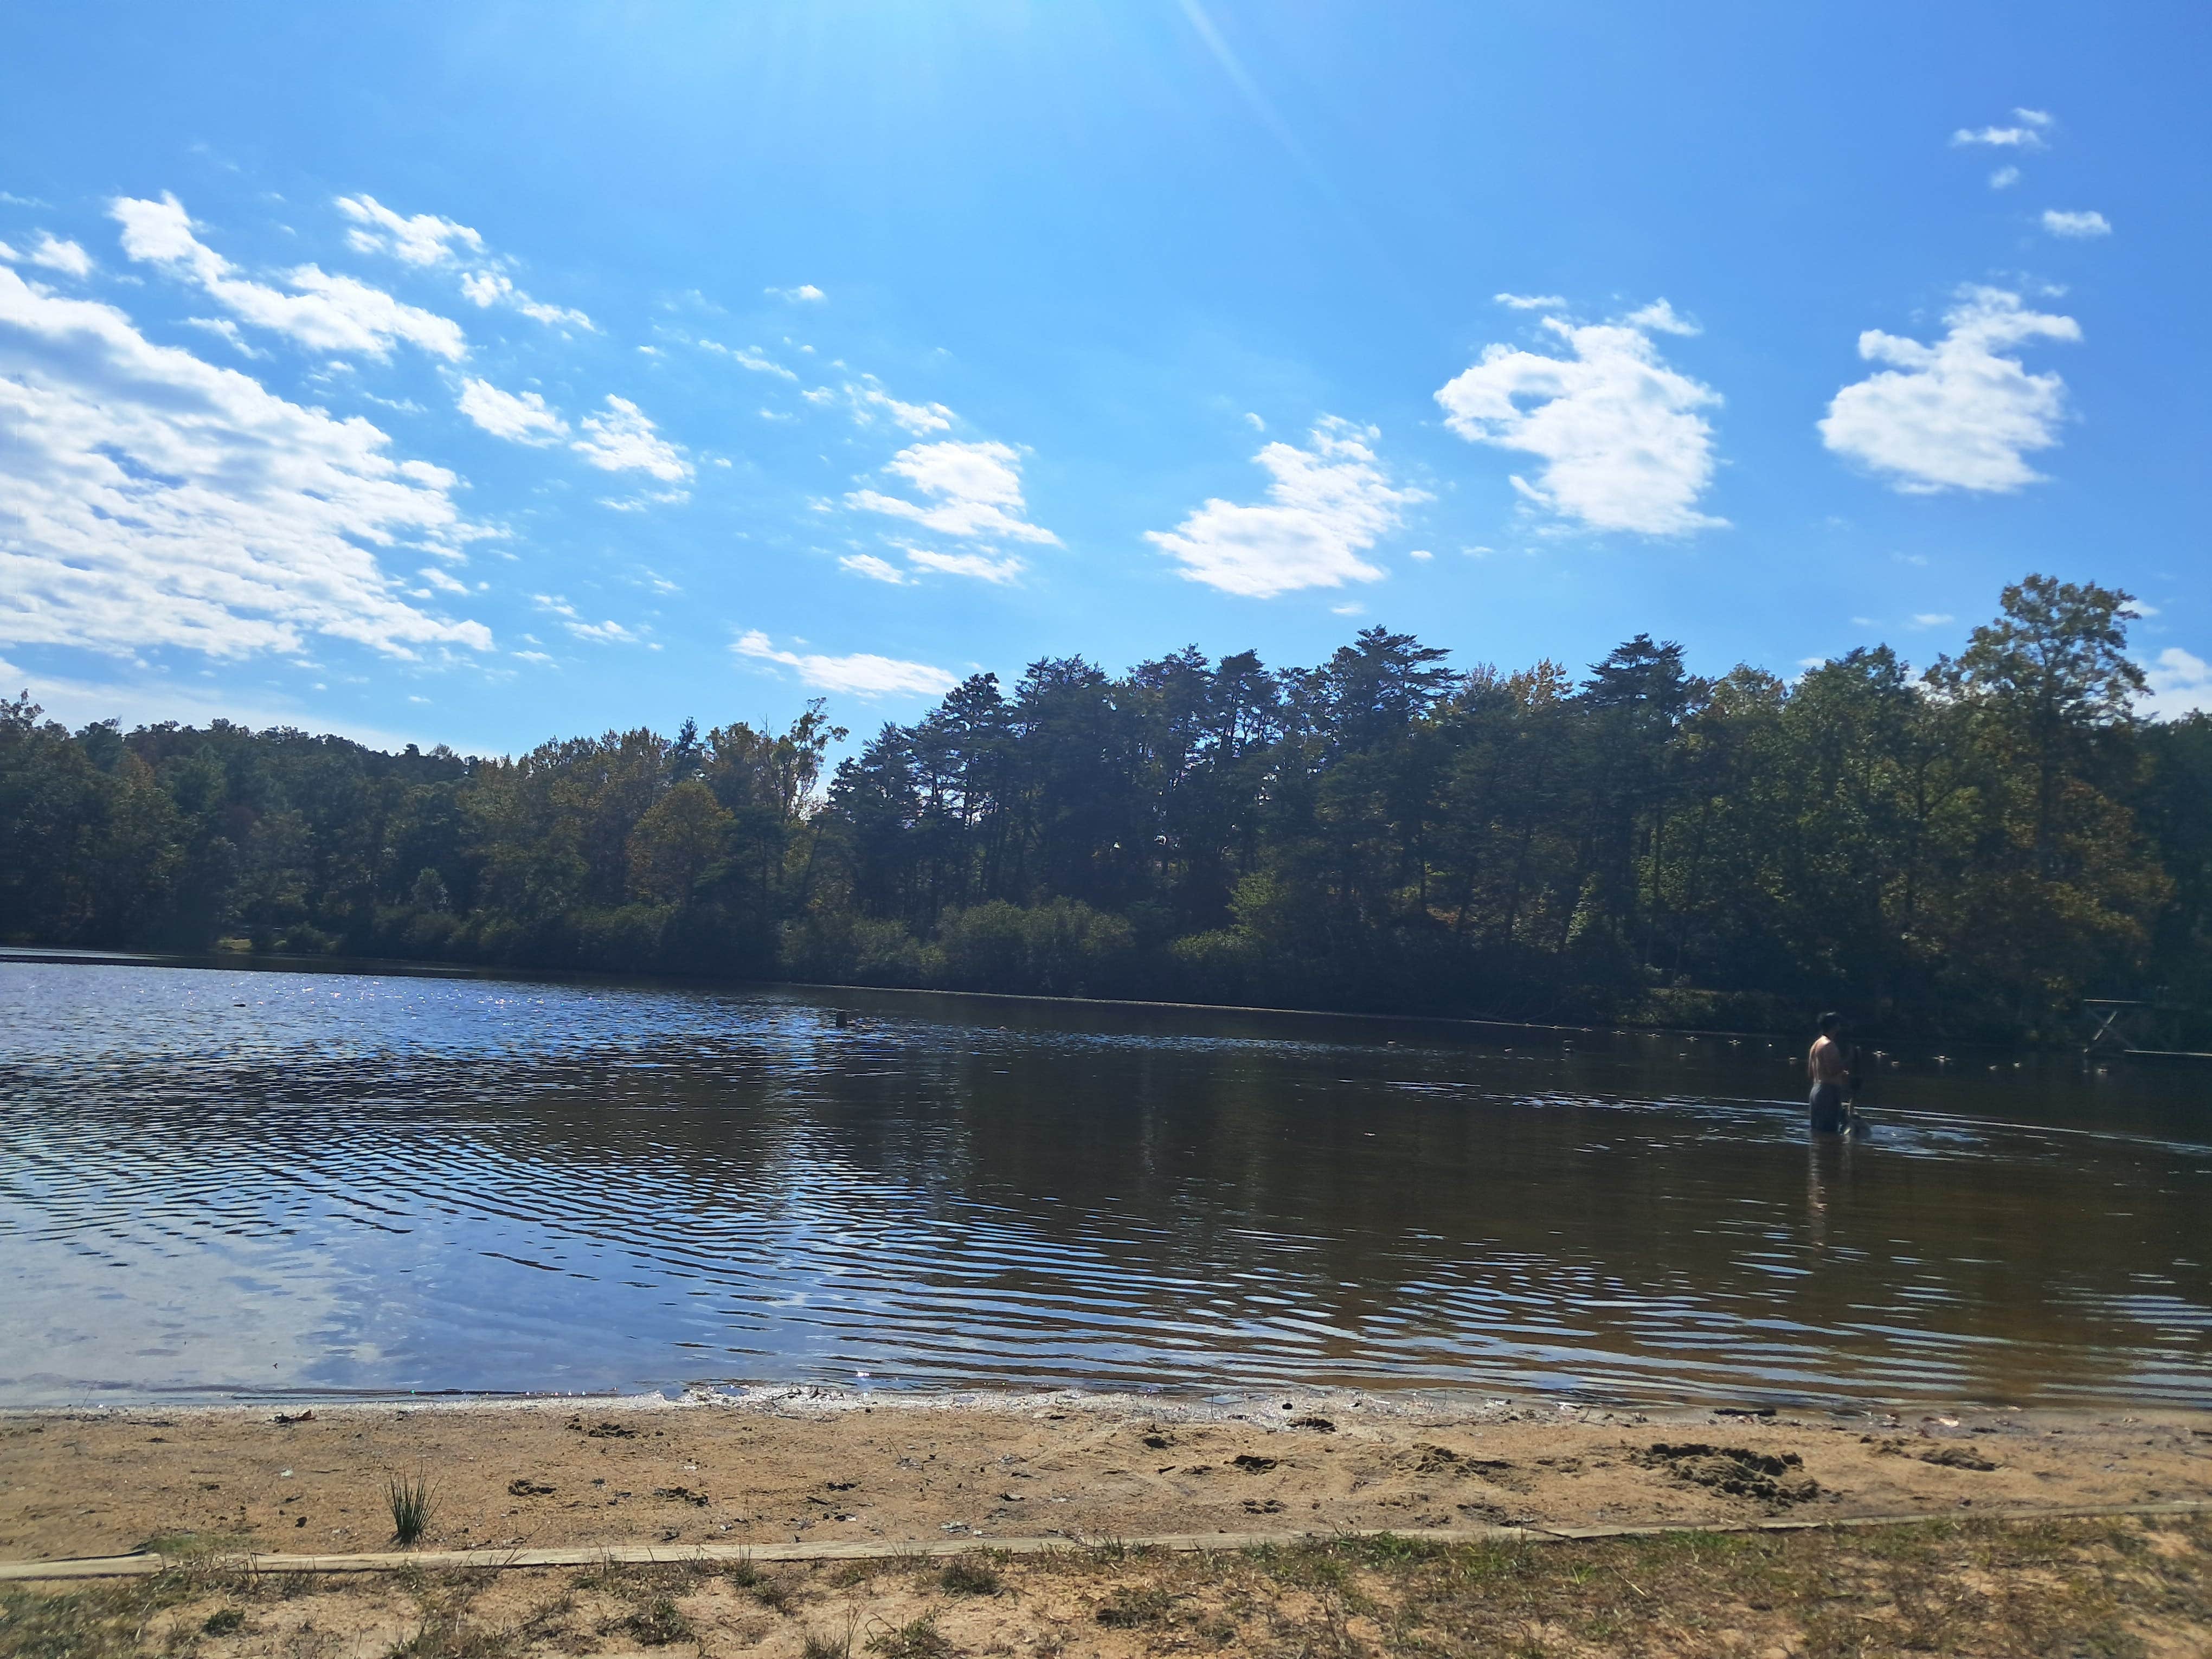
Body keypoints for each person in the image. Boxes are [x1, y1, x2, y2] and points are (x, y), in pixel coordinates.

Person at [1806, 1012, 1854, 1134]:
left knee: (1817, 1132)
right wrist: (1849, 1058)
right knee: (1829, 1132)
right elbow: (1832, 1070)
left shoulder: (1816, 1045)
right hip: (1828, 1092)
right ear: (1835, 1026)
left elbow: (1811, 1073)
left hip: (1816, 1090)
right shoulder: (1829, 1045)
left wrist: (1840, 1074)